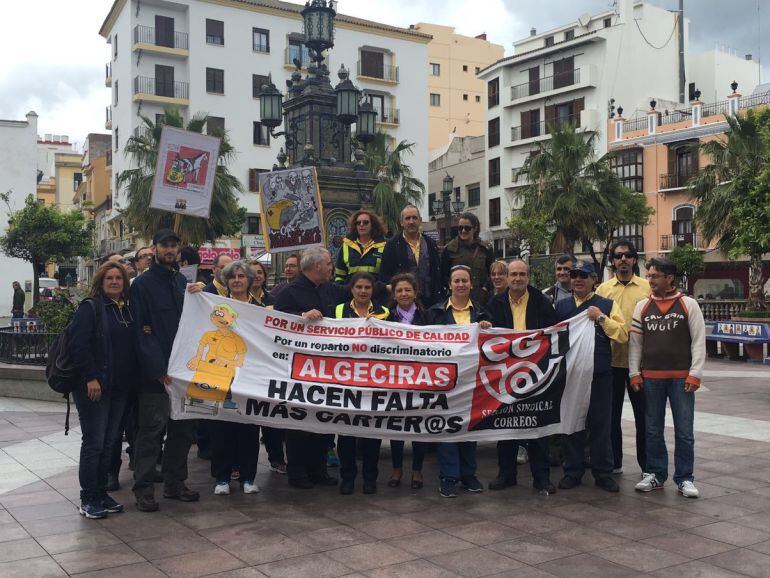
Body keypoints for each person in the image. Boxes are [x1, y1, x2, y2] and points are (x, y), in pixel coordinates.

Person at [129, 228, 200, 512]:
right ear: (154, 248)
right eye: (164, 245)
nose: (170, 250)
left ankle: (175, 483)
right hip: (156, 376)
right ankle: (144, 489)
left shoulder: (181, 281)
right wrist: (158, 369)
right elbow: (141, 332)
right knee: (151, 433)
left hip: (182, 373)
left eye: (174, 246)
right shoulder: (142, 285)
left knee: (182, 432)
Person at [630, 258, 706, 498]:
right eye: (649, 276)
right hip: (651, 378)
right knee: (652, 429)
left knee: (684, 430)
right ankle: (655, 474)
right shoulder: (642, 306)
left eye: (654, 276)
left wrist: (695, 374)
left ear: (669, 278)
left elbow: (699, 341)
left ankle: (685, 478)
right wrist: (634, 372)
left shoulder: (688, 304)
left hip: (681, 379)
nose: (650, 281)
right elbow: (635, 344)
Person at [274, 247, 347, 489]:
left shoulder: (328, 288)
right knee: (299, 424)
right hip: (299, 370)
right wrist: (301, 316)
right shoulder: (289, 292)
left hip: (325, 368)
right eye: (328, 263)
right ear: (317, 266)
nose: (331, 267)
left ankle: (319, 470)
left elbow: (354, 293)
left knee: (322, 422)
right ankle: (298, 472)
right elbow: (277, 322)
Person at [69, 261, 137, 518]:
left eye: (118, 278)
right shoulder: (91, 308)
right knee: (94, 443)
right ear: (101, 281)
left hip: (120, 388)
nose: (114, 282)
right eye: (109, 277)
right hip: (95, 387)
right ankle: (88, 498)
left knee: (109, 444)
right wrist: (90, 378)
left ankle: (100, 493)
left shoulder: (125, 309)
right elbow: (80, 346)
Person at [486, 259, 558, 495]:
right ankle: (506, 475)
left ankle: (542, 478)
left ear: (528, 277)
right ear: (506, 278)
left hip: (534, 373)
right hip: (505, 375)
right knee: (506, 425)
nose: (517, 278)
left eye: (522, 274)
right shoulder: (495, 303)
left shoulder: (542, 302)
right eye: (513, 274)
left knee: (536, 426)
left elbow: (554, 334)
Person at [555, 260, 627, 493]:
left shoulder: (606, 305)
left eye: (583, 275)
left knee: (601, 425)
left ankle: (603, 473)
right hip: (570, 375)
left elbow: (622, 335)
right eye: (574, 274)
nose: (577, 279)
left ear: (594, 279)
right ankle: (572, 471)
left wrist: (601, 318)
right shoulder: (562, 307)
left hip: (600, 375)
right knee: (571, 423)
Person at [197, 260, 261, 495]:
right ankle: (222, 477)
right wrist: (195, 292)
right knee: (221, 427)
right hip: (221, 376)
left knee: (249, 428)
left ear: (249, 280)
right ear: (226, 281)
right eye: (232, 277)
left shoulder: (261, 309)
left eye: (241, 276)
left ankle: (248, 477)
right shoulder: (217, 308)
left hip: (251, 377)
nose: (237, 280)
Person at [428, 265, 491, 498]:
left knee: (469, 428)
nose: (461, 284)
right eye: (457, 281)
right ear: (450, 284)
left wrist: (486, 328)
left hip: (472, 380)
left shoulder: (483, 314)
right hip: (444, 380)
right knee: (447, 429)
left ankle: (468, 475)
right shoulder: (435, 312)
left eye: (465, 280)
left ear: (471, 284)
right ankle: (448, 477)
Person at [595, 239, 651, 475]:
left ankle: (647, 466)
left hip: (640, 365)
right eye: (618, 256)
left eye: (628, 255)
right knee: (611, 417)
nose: (623, 260)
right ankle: (615, 462)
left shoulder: (647, 288)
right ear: (613, 261)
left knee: (644, 419)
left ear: (634, 259)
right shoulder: (603, 290)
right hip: (611, 364)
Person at [334, 272, 389, 494]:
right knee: (346, 434)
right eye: (359, 287)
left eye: (367, 287)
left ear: (373, 290)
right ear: (352, 289)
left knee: (371, 435)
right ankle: (347, 478)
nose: (363, 291)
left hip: (374, 380)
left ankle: (370, 478)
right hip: (346, 380)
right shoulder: (338, 310)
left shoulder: (385, 312)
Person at [386, 273, 430, 490]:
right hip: (395, 378)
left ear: (415, 292)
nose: (404, 294)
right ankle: (396, 468)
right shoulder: (385, 318)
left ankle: (417, 470)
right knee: (397, 426)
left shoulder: (427, 315)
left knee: (418, 426)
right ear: (394, 294)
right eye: (399, 290)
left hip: (421, 378)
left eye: (407, 290)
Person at [380, 205, 443, 307]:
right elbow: (385, 274)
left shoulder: (431, 243)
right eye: (407, 218)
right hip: (402, 302)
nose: (411, 221)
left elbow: (437, 273)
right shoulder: (392, 245)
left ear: (420, 220)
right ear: (401, 222)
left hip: (430, 302)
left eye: (414, 218)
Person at [440, 212, 494, 304]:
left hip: (481, 300)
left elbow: (492, 273)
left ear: (475, 228)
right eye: (460, 228)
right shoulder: (449, 249)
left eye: (467, 228)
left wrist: (485, 289)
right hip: (457, 299)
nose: (463, 231)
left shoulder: (485, 249)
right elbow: (443, 276)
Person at [334, 210, 387, 284]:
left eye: (365, 222)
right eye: (358, 223)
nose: (361, 225)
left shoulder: (384, 245)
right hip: (350, 294)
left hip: (376, 293)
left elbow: (388, 274)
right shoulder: (346, 245)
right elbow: (339, 275)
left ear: (373, 225)